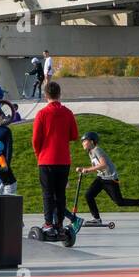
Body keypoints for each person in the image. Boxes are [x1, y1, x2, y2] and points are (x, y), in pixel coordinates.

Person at [33, 80, 80, 236]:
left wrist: (38, 154)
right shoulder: (68, 113)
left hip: (46, 159)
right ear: (59, 94)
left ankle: (48, 224)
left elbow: (36, 139)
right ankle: (59, 224)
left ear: (45, 95)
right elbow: (74, 135)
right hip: (63, 160)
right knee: (60, 194)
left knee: (47, 193)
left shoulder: (41, 114)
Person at [77, 131, 139, 220]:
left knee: (119, 202)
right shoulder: (90, 152)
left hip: (110, 179)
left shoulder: (97, 150)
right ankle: (96, 219)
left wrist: (87, 170)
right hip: (101, 177)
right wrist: (83, 169)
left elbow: (103, 165)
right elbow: (98, 167)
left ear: (91, 141)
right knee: (88, 195)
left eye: (84, 141)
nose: (82, 143)